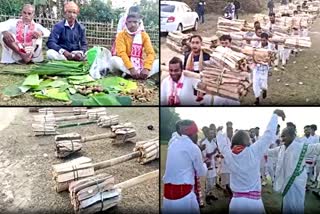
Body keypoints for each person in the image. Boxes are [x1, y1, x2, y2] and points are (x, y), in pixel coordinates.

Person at [216, 109, 285, 214]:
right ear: (247, 142)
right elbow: (268, 135)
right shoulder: (253, 150)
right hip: (254, 203)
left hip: (235, 202)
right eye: (249, 139)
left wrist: (219, 132)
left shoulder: (229, 154)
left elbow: (222, 145)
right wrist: (275, 115)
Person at [267, 126, 320, 214]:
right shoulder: (281, 149)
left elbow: (316, 148)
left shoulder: (300, 147)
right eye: (281, 136)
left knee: (296, 205)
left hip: (297, 182)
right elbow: (269, 152)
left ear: (292, 136)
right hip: (286, 182)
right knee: (287, 204)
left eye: (284, 136)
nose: (282, 138)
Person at [163, 120, 207, 214]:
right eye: (196, 133)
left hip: (167, 193)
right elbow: (201, 172)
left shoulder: (173, 143)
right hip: (183, 195)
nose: (197, 136)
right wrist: (205, 164)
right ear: (192, 133)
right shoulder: (193, 147)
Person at [111, 13, 158, 80]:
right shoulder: (121, 35)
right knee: (114, 59)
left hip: (142, 64)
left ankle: (139, 74)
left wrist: (146, 68)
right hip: (127, 64)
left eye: (135, 22)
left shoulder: (144, 35)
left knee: (158, 62)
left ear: (139, 24)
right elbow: (121, 53)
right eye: (129, 22)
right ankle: (133, 74)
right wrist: (131, 68)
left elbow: (151, 53)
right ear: (126, 24)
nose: (132, 24)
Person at [252, 33, 273, 105]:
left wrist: (270, 68)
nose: (263, 42)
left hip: (264, 68)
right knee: (255, 84)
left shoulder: (270, 48)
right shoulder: (257, 46)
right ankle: (257, 99)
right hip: (257, 67)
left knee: (263, 83)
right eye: (261, 40)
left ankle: (264, 90)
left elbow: (272, 59)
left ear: (267, 40)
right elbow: (253, 56)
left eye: (264, 40)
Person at [202, 127, 219, 204]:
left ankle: (210, 194)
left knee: (213, 182)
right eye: (210, 133)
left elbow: (215, 153)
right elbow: (204, 155)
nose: (212, 135)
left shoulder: (213, 142)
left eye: (213, 133)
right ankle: (207, 196)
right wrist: (213, 153)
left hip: (214, 163)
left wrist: (217, 155)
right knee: (209, 182)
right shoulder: (204, 143)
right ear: (207, 134)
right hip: (208, 164)